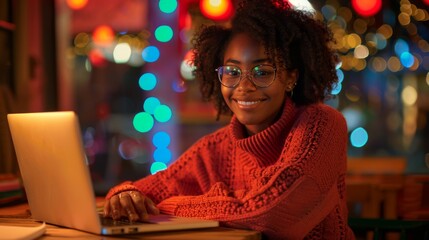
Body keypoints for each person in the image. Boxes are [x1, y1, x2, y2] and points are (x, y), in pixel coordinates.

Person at [104, 0, 355, 239]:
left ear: (291, 78)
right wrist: (124, 194)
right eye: (233, 72)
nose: (244, 86)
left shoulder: (322, 124)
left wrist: (168, 207)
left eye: (262, 72)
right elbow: (143, 190)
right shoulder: (216, 148)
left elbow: (271, 213)